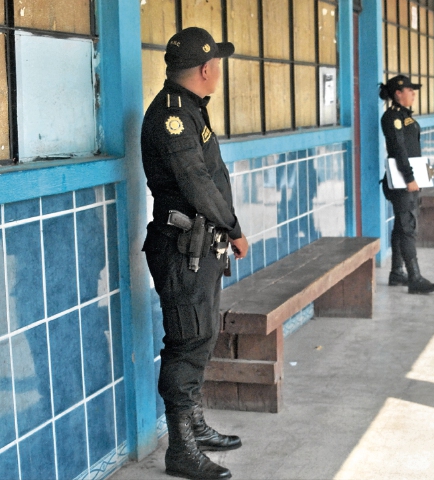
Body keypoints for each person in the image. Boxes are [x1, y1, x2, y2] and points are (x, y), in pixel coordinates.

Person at [141, 27, 249, 480]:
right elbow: (197, 184)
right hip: (182, 248)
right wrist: (235, 229)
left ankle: (195, 427)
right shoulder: (172, 117)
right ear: (206, 69)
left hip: (200, 248)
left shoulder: (189, 110)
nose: (218, 70)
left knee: (200, 337)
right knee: (186, 344)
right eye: (217, 64)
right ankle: (181, 450)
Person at [379, 75, 434, 295]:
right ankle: (414, 278)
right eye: (410, 90)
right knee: (407, 228)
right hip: (403, 182)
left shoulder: (405, 117)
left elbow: (413, 150)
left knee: (401, 226)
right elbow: (398, 149)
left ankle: (397, 273)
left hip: (410, 179)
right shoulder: (392, 117)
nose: (413, 94)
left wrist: (421, 175)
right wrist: (410, 177)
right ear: (398, 93)